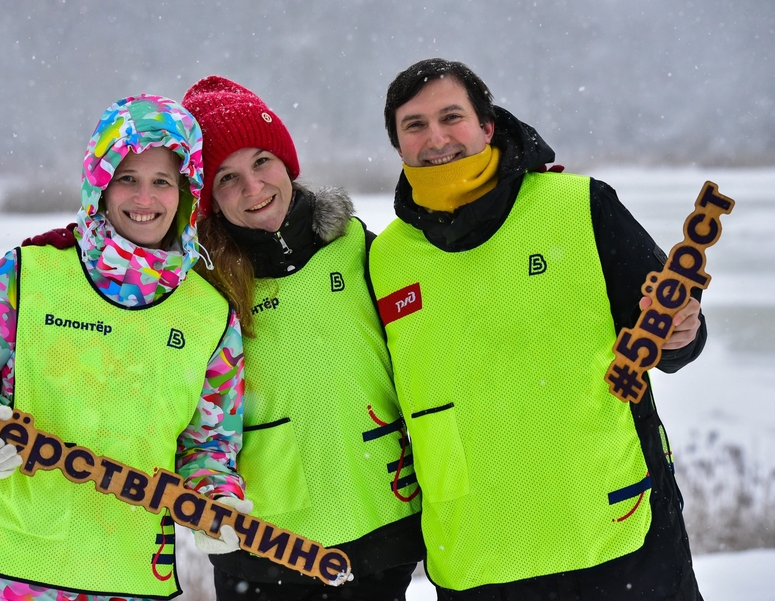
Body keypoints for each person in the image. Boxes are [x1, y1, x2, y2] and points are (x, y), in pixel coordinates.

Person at [368, 58, 707, 600]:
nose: (436, 138)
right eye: (415, 125)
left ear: (487, 126)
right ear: (398, 145)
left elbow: (670, 333)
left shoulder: (580, 207)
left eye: (451, 117)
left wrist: (682, 334)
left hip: (615, 532)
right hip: (477, 553)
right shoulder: (383, 260)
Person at [0, 95, 246, 601]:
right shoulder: (31, 273)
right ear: (99, 182)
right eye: (127, 177)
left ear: (187, 191)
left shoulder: (211, 315)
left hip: (129, 576)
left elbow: (208, 443)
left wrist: (215, 501)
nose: (144, 198)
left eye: (162, 181)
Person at [180, 76, 425, 601]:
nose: (253, 187)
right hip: (266, 542)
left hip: (380, 518)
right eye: (227, 177)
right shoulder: (200, 289)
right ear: (207, 200)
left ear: (287, 162)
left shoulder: (358, 247)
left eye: (262, 162)